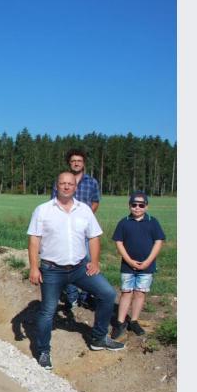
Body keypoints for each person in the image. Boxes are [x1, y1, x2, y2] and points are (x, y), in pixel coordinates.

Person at [27, 172, 123, 371]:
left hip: (80, 267)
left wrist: (94, 261)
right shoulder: (43, 210)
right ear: (57, 186)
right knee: (48, 310)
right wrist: (34, 267)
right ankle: (44, 351)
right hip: (52, 270)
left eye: (70, 184)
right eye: (62, 183)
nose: (66, 186)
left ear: (75, 187)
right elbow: (34, 240)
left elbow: (94, 237)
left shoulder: (84, 210)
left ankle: (98, 338)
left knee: (107, 293)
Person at [110, 191, 166, 339]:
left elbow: (158, 241)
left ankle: (134, 321)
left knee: (140, 293)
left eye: (141, 205)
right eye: (134, 205)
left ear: (146, 207)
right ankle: (120, 322)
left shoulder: (152, 222)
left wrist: (148, 261)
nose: (137, 208)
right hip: (128, 266)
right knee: (126, 292)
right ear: (130, 206)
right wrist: (129, 260)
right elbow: (119, 242)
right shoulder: (124, 222)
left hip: (147, 267)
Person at [51, 148, 101, 309]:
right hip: (64, 230)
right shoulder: (61, 181)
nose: (76, 163)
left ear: (83, 163)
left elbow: (95, 202)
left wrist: (85, 218)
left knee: (85, 261)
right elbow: (53, 203)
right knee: (68, 261)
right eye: (73, 161)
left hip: (83, 230)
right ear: (69, 163)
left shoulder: (91, 182)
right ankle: (72, 297)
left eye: (79, 161)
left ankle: (85, 295)